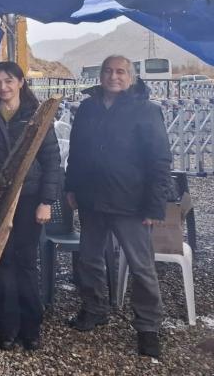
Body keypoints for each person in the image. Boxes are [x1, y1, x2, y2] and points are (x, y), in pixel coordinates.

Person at [65, 55, 171, 359]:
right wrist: (71, 186)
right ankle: (94, 308)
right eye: (108, 71)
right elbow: (77, 149)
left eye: (121, 71)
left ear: (132, 77)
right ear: (100, 75)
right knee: (89, 259)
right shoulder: (87, 108)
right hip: (91, 199)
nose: (114, 76)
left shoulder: (146, 110)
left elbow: (160, 160)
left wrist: (154, 206)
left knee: (141, 266)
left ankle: (148, 327)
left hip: (131, 204)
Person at [0, 62, 61, 351]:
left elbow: (51, 160)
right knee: (2, 261)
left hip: (30, 197)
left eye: (8, 81)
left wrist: (46, 201)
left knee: (25, 262)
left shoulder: (37, 115)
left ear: (21, 82)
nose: (2, 87)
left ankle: (31, 328)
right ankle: (7, 329)